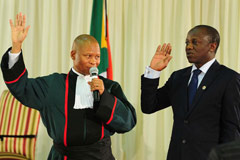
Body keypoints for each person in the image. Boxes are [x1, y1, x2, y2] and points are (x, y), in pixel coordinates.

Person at [1, 13, 136, 160]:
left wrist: (105, 97)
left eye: (97, 57)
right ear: (73, 55)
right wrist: (16, 46)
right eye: (88, 56)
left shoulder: (109, 87)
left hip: (100, 157)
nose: (94, 62)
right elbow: (21, 87)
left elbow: (128, 122)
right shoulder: (53, 85)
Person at [141, 25, 240, 160]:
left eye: (195, 42)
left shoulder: (229, 78)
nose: (188, 47)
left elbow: (232, 128)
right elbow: (149, 106)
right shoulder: (178, 77)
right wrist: (153, 72)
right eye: (187, 42)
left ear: (212, 46)